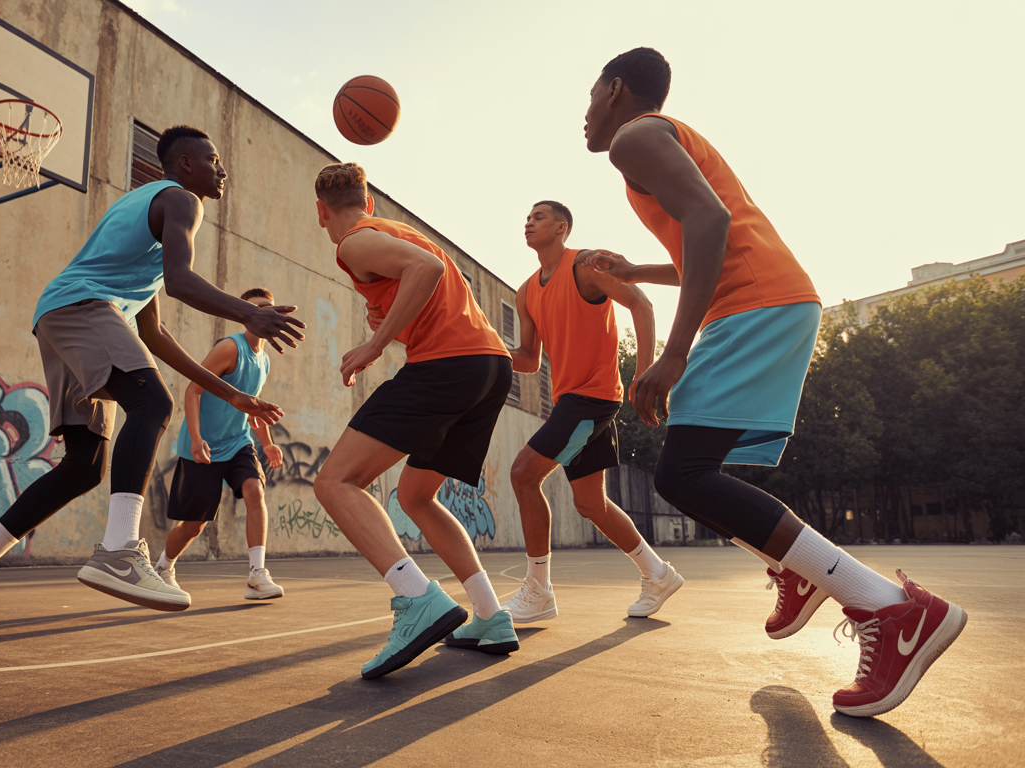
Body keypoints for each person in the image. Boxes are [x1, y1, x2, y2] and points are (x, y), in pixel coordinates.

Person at [582, 47, 965, 716]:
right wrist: (639, 271)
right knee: (689, 471)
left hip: (755, 305)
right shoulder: (660, 141)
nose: (584, 115)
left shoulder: (635, 137)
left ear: (616, 89)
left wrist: (674, 353)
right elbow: (708, 238)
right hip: (768, 300)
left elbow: (712, 223)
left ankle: (892, 609)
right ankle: (801, 568)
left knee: (683, 475)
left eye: (588, 97)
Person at [0, 125, 306, 645]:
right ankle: (120, 550)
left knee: (84, 466)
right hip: (82, 309)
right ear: (185, 164)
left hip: (61, 316)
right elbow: (181, 280)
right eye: (213, 160)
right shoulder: (181, 200)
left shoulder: (148, 221)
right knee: (152, 402)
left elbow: (156, 334)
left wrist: (230, 392)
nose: (222, 170)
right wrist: (247, 313)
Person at [310, 162, 519, 679]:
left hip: (447, 366)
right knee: (416, 496)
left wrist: (375, 344)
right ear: (369, 201)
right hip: (489, 367)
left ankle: (415, 598)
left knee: (336, 482)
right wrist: (393, 323)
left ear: (321, 211)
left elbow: (424, 270)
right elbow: (431, 283)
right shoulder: (393, 230)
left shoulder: (354, 242)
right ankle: (491, 616)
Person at [503, 200, 681, 622]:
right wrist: (484, 348)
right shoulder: (526, 291)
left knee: (523, 474)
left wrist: (643, 373)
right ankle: (657, 573)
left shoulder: (584, 266)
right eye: (527, 217)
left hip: (592, 397)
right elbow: (528, 359)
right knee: (590, 503)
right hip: (573, 400)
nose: (529, 222)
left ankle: (538, 590)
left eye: (539, 217)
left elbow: (641, 304)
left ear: (561, 227)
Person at [155, 287, 286, 601]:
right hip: (204, 447)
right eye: (256, 308)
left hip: (238, 442)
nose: (263, 313)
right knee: (194, 525)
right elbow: (193, 391)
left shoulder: (264, 361)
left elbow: (251, 408)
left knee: (255, 491)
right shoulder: (230, 348)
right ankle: (163, 567)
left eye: (268, 308)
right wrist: (196, 439)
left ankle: (257, 575)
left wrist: (267, 443)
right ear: (244, 315)